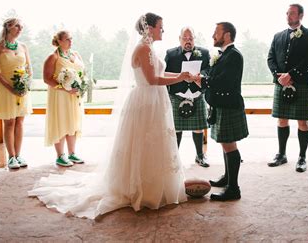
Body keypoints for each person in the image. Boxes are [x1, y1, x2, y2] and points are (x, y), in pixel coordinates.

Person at [29, 13, 191, 218]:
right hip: (146, 101)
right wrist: (179, 78)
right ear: (149, 28)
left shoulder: (149, 48)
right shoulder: (142, 48)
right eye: (160, 26)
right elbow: (151, 80)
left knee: (155, 141)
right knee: (143, 142)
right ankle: (141, 188)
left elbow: (158, 73)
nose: (163, 30)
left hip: (155, 100)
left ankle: (159, 184)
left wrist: (181, 76)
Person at [196, 22, 248, 201]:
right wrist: (202, 77)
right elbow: (211, 72)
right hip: (221, 105)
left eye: (216, 33)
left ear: (226, 35)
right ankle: (228, 177)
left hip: (228, 105)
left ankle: (234, 188)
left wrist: (203, 82)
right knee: (225, 143)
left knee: (229, 144)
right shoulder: (224, 55)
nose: (212, 36)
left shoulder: (233, 56)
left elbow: (224, 81)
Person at [267, 4, 308, 172]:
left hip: (301, 82)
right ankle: (281, 154)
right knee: (282, 119)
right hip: (281, 83)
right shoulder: (277, 36)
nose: (288, 16)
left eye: (292, 13)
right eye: (287, 13)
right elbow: (270, 58)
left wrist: (291, 75)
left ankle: (302, 157)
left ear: (301, 15)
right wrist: (278, 76)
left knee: (302, 121)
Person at [165, 27, 211, 167]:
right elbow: (165, 73)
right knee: (176, 129)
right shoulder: (171, 54)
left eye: (190, 38)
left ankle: (200, 156)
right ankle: (175, 158)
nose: (188, 41)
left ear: (194, 39)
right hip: (178, 95)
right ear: (179, 39)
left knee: (198, 128)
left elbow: (208, 69)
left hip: (196, 94)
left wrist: (200, 75)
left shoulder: (204, 52)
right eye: (185, 38)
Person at [0, 18, 33, 169]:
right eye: (17, 26)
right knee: (9, 123)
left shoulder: (23, 46)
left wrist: (25, 85)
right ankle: (11, 157)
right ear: (8, 27)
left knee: (20, 122)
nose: (20, 28)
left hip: (21, 89)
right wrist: (10, 88)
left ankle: (19, 155)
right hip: (6, 87)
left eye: (21, 26)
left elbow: (29, 68)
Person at [43, 30, 85, 167]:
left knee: (72, 122)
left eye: (71, 39)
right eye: (67, 39)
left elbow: (81, 72)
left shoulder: (75, 54)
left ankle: (72, 153)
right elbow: (47, 78)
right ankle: (60, 155)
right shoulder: (53, 57)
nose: (70, 41)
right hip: (60, 95)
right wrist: (64, 88)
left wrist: (80, 84)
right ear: (59, 41)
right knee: (61, 122)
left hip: (74, 95)